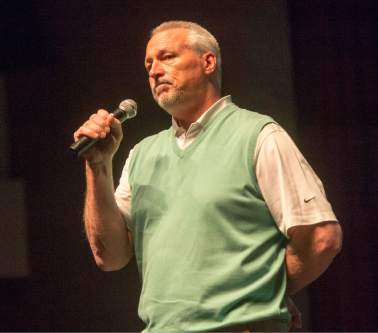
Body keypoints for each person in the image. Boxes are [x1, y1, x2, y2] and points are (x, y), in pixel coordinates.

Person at [73, 21, 342, 332]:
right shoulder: (141, 155)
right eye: (149, 63)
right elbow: (110, 256)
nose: (155, 70)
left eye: (167, 57)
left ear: (208, 62)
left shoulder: (257, 135)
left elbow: (321, 237)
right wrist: (98, 164)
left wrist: (262, 296)